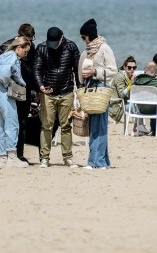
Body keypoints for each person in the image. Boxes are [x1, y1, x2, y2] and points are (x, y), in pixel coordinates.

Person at [33, 26, 81, 168]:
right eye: (51, 44)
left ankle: (67, 157)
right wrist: (40, 86)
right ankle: (45, 158)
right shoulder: (42, 48)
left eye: (56, 43)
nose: (53, 47)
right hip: (48, 93)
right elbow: (37, 69)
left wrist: (80, 91)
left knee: (66, 126)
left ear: (62, 37)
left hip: (67, 91)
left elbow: (77, 69)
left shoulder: (71, 47)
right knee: (46, 126)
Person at [77, 19, 117, 170]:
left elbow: (114, 70)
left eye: (83, 37)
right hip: (90, 89)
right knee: (94, 126)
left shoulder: (105, 48)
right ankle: (102, 161)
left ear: (88, 36)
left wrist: (96, 72)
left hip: (101, 89)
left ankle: (96, 162)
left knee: (99, 126)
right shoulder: (86, 51)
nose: (82, 40)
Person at [0, 23, 38, 163]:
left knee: (22, 122)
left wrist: (34, 90)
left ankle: (18, 153)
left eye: (32, 40)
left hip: (24, 90)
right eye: (28, 40)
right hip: (9, 89)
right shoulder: (5, 47)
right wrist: (9, 84)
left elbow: (33, 69)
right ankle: (7, 154)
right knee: (8, 123)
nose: (30, 43)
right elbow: (1, 70)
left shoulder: (32, 48)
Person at [0, 36, 31, 168]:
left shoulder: (4, 56)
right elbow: (4, 74)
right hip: (5, 94)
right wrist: (11, 83)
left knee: (2, 126)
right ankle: (12, 157)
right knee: (12, 124)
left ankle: (2, 158)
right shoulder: (12, 57)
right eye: (25, 51)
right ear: (19, 48)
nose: (26, 54)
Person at [132, 61, 157, 136]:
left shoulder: (137, 82)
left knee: (154, 105)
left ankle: (153, 130)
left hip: (142, 110)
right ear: (156, 71)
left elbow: (131, 94)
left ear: (145, 70)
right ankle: (155, 130)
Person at [109, 56, 138, 123]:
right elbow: (122, 94)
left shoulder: (129, 76)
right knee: (140, 107)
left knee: (141, 104)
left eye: (134, 68)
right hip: (118, 106)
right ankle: (137, 128)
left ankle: (139, 127)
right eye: (129, 67)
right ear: (124, 67)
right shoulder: (120, 77)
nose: (132, 69)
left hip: (125, 102)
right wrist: (131, 84)